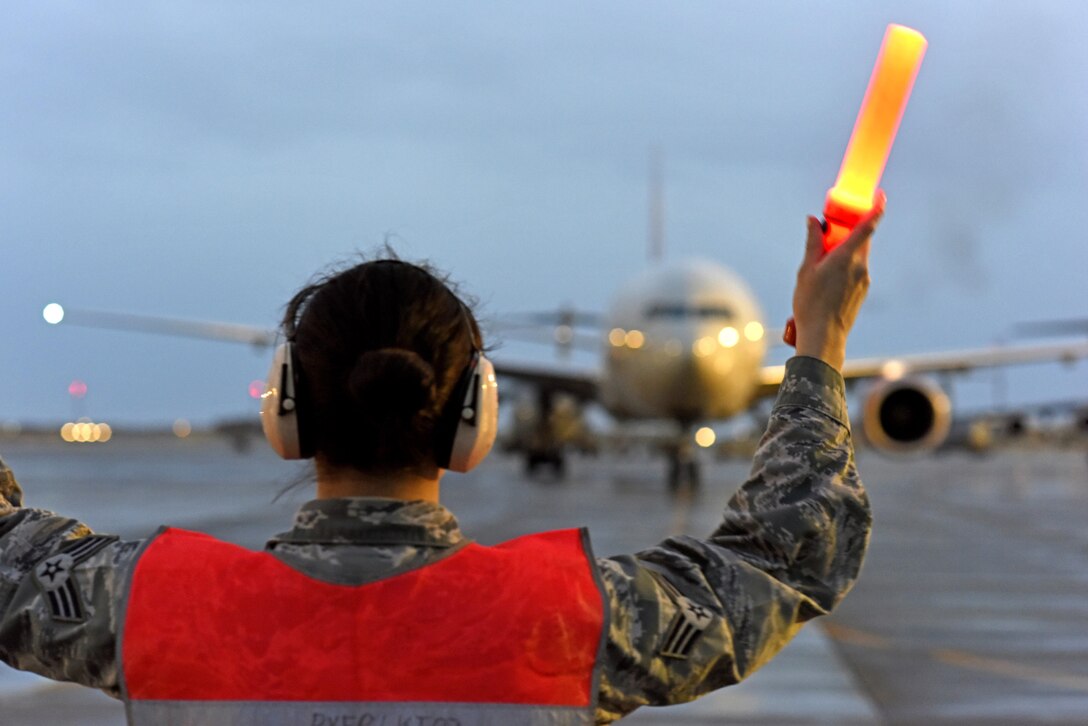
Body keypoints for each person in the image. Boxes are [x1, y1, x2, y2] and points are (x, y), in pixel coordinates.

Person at [0, 202, 882, 725]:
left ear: (285, 411)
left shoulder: (159, 605)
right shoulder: (568, 618)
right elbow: (784, 557)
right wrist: (823, 350)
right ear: (476, 418)